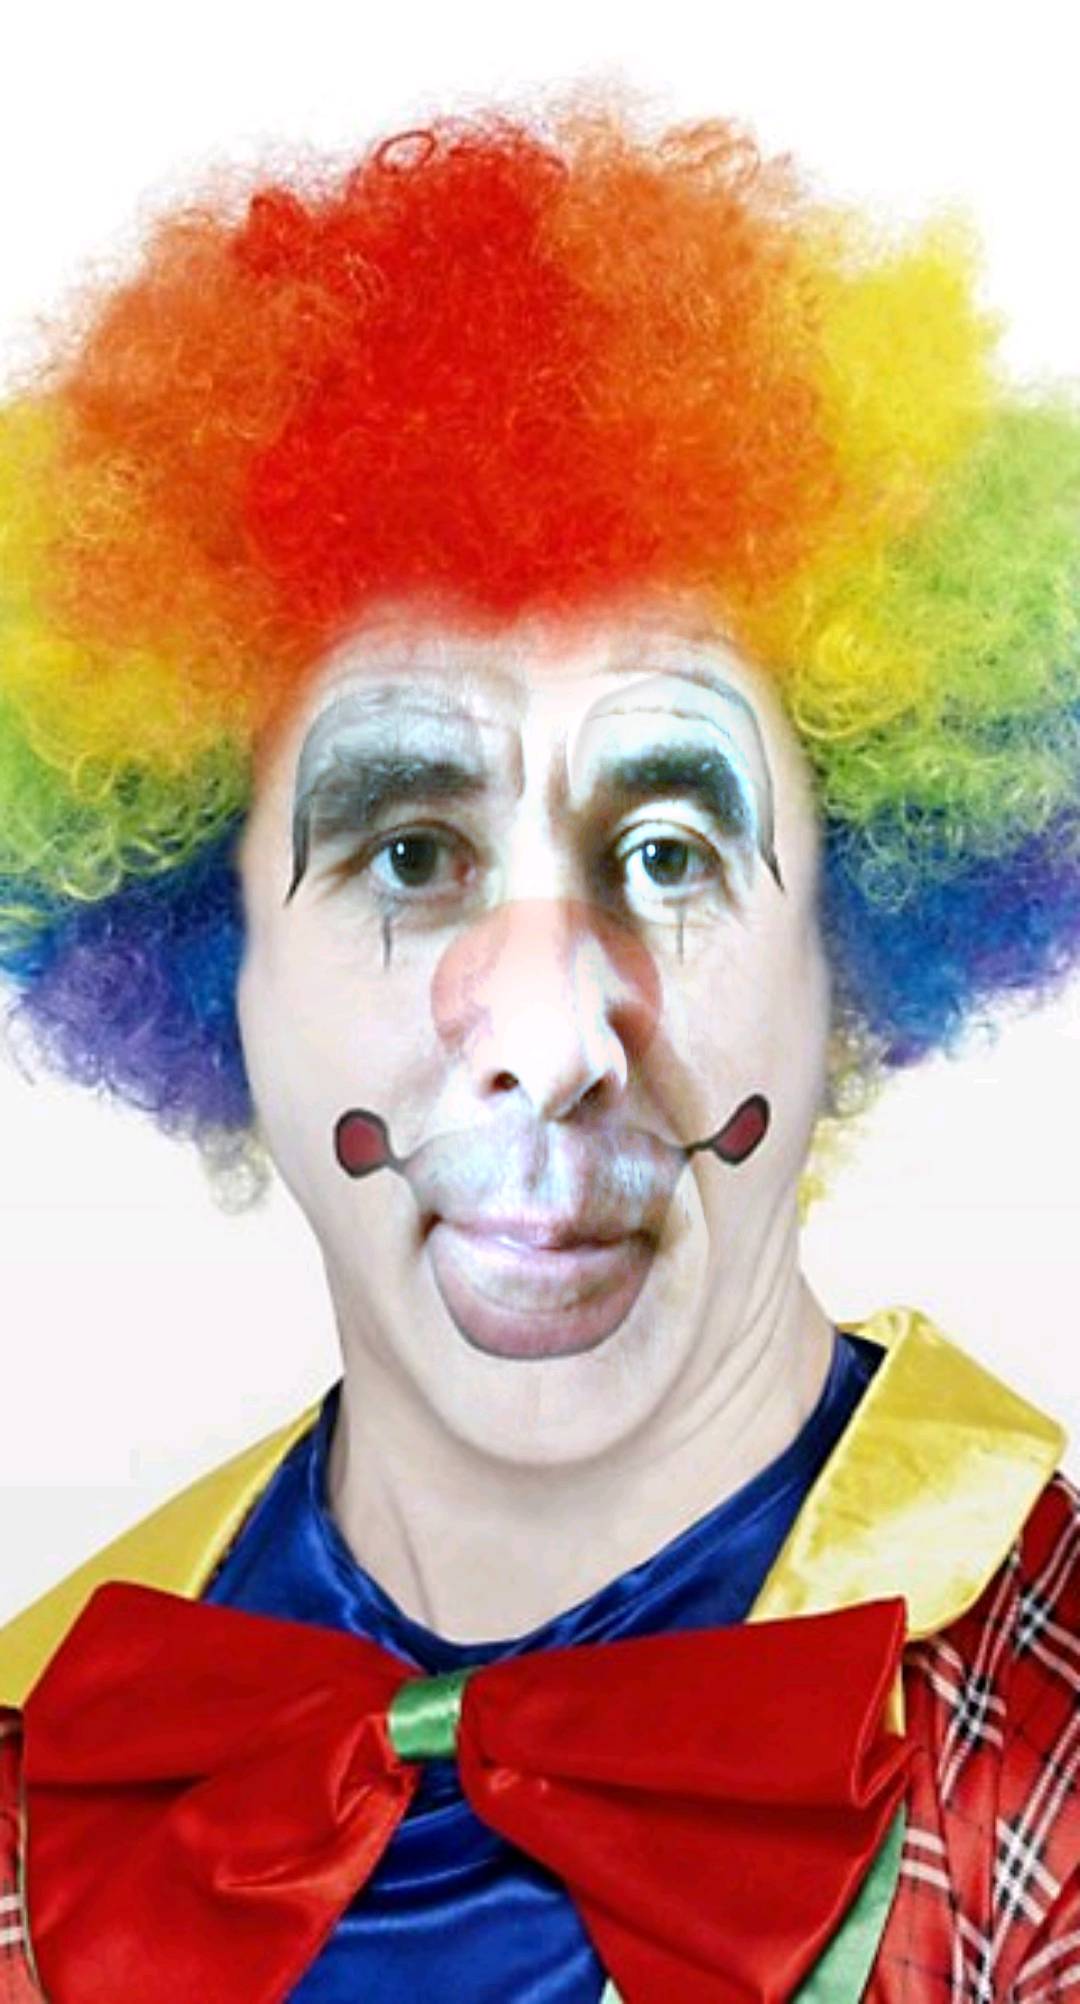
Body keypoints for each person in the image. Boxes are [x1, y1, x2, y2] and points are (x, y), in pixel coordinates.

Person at [0, 99, 1077, 2003]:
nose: (555, 1034)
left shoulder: (1043, 1765)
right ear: (208, 954)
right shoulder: (53, 1758)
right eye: (411, 855)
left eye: (668, 854)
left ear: (854, 944)